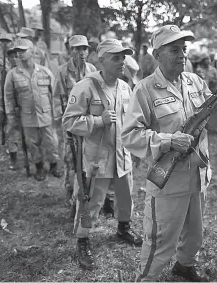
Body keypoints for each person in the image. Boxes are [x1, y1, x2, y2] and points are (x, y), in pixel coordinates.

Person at [121, 24, 217, 282]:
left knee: (195, 232)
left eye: (184, 49)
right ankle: (145, 279)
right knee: (160, 240)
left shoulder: (195, 82)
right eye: (174, 50)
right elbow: (130, 136)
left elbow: (213, 123)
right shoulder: (144, 90)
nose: (182, 55)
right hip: (169, 181)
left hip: (198, 175)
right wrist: (167, 141)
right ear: (157, 54)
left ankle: (185, 265)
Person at [62, 38, 143, 270]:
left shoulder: (125, 87)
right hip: (96, 159)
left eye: (123, 58)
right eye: (116, 58)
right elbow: (69, 121)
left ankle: (123, 229)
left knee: (126, 195)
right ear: (102, 59)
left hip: (122, 155)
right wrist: (98, 121)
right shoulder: (85, 86)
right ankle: (83, 240)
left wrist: (135, 148)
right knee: (90, 202)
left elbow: (130, 123)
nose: (121, 62)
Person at [4, 38, 61, 181]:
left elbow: (55, 95)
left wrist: (58, 114)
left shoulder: (45, 72)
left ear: (32, 51)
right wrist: (11, 118)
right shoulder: (12, 74)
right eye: (18, 51)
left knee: (51, 142)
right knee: (32, 143)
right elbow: (9, 99)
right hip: (27, 116)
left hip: (46, 114)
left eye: (23, 50)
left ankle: (54, 165)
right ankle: (39, 167)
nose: (20, 54)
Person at [53, 35, 97, 212]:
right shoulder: (62, 72)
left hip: (89, 123)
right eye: (77, 49)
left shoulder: (92, 69)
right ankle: (71, 193)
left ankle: (88, 194)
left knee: (88, 157)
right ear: (70, 51)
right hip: (72, 123)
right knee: (71, 158)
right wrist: (62, 121)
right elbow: (57, 98)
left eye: (84, 49)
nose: (81, 52)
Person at [0, 35, 19, 170]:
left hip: (25, 109)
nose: (14, 59)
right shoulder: (2, 74)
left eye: (16, 56)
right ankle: (13, 160)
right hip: (10, 109)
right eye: (11, 57)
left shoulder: (24, 72)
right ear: (8, 58)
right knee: (11, 133)